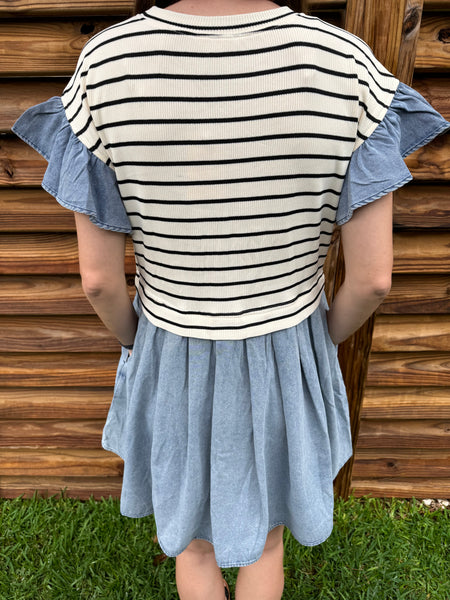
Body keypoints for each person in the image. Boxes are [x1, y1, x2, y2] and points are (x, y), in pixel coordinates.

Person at [12, 1, 449, 598]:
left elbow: (100, 281)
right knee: (268, 532)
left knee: (194, 538)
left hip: (170, 340)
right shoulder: (346, 64)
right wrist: (316, 341)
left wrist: (141, 341)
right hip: (288, 342)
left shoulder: (105, 65)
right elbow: (373, 279)